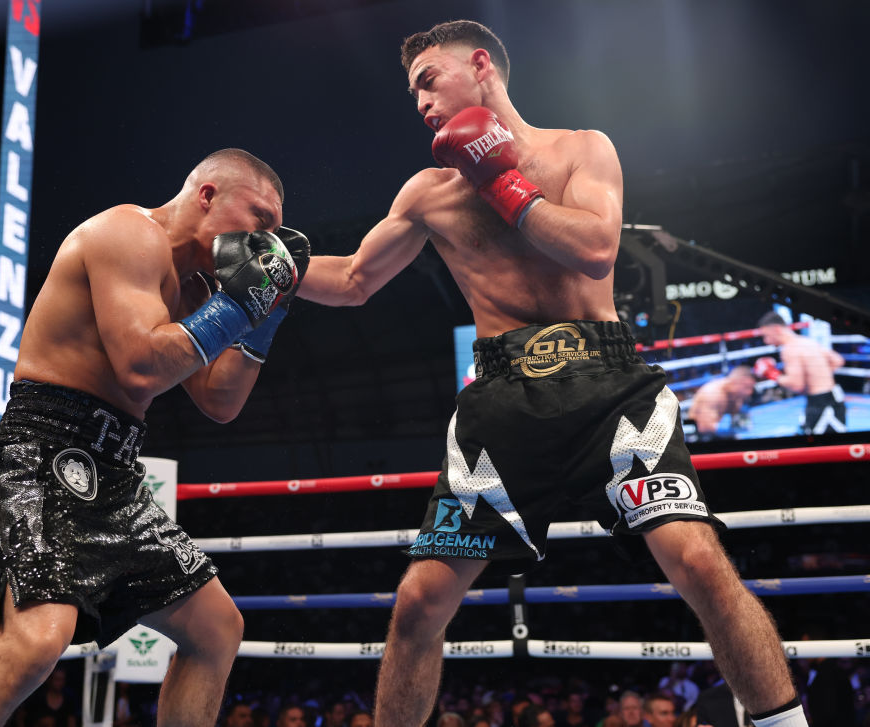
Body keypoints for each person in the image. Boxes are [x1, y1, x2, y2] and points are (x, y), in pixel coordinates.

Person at [297, 19, 806, 727]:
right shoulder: (427, 193)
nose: (419, 103)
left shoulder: (581, 149)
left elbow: (596, 248)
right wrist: (273, 271)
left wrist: (501, 181)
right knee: (418, 601)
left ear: (481, 67)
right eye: (411, 93)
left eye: (427, 81)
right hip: (501, 402)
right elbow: (353, 278)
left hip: (608, 386)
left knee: (699, 561)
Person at [0, 148, 307, 727]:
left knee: (216, 630)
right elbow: (143, 368)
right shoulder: (128, 233)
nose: (265, 241)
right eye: (260, 221)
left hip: (117, 469)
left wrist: (263, 317)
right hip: (42, 451)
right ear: (208, 195)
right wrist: (234, 307)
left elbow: (219, 401)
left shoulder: (198, 290)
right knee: (36, 642)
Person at [755, 312, 846, 434]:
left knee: (821, 449)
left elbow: (796, 384)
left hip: (820, 403)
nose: (766, 341)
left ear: (776, 329)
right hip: (834, 397)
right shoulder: (807, 342)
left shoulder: (789, 349)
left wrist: (771, 374)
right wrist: (818, 376)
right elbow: (837, 360)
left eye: (766, 336)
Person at [685, 367, 756, 438]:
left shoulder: (736, 395)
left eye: (751, 388)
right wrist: (727, 432)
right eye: (746, 387)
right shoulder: (713, 394)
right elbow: (703, 426)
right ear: (735, 382)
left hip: (711, 432)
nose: (750, 392)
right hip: (695, 434)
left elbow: (741, 423)